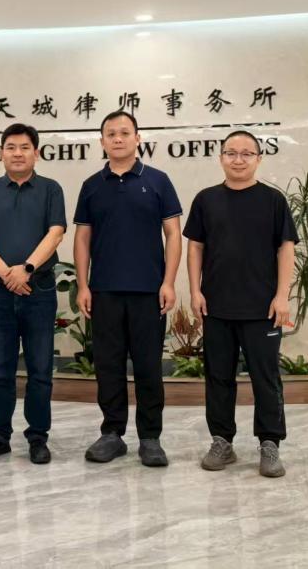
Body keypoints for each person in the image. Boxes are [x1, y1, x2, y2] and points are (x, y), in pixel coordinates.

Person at [184, 129, 298, 478]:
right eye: (231, 153)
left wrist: (282, 296)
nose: (238, 159)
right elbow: (195, 247)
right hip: (217, 306)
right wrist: (195, 291)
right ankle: (222, 441)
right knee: (218, 377)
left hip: (263, 309)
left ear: (258, 159)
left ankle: (270, 443)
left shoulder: (273, 200)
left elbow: (286, 248)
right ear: (221, 157)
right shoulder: (206, 199)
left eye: (246, 153)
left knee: (266, 378)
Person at [74, 111, 183, 467]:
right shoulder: (92, 185)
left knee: (149, 366)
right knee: (108, 365)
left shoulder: (158, 180)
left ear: (138, 138)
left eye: (124, 132)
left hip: (148, 291)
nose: (118, 138)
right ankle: (112, 434)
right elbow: (82, 238)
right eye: (111, 134)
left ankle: (150, 438)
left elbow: (173, 235)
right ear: (102, 141)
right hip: (104, 291)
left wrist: (168, 282)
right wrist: (83, 285)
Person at [0, 123, 66, 465]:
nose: (18, 153)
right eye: (11, 147)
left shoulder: (51, 189)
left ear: (36, 153)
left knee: (40, 368)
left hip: (38, 288)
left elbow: (56, 232)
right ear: (1, 153)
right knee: (0, 369)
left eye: (25, 147)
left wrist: (26, 268)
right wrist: (6, 274)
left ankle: (38, 437)